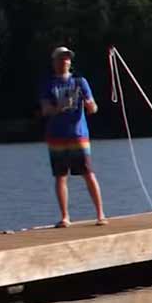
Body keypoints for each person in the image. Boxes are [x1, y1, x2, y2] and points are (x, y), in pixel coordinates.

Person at [39, 46, 108, 228]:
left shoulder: (80, 82)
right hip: (57, 136)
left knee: (87, 173)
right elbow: (45, 109)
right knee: (61, 176)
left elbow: (93, 107)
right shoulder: (49, 84)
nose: (65, 61)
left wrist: (89, 105)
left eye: (67, 58)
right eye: (61, 58)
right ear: (54, 62)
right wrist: (59, 108)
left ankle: (100, 214)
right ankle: (65, 217)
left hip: (78, 135)